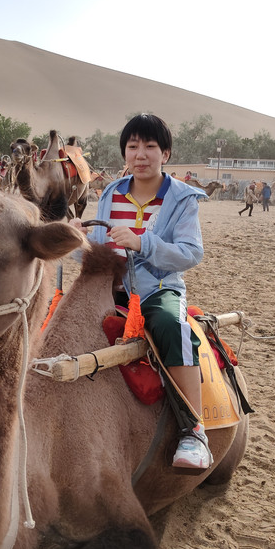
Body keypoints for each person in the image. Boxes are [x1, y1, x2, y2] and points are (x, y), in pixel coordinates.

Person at [71, 113, 212, 470]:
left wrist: (142, 243)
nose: (141, 154)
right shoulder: (111, 193)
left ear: (165, 153)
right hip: (108, 287)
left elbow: (191, 253)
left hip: (157, 289)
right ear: (125, 153)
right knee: (60, 320)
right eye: (133, 146)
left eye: (150, 146)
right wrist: (75, 240)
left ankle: (194, 432)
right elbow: (98, 247)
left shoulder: (182, 199)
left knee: (171, 326)